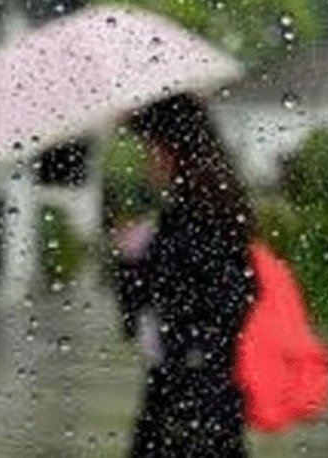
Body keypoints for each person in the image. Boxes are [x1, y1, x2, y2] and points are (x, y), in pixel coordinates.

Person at [110, 94, 255, 457]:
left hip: (188, 394)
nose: (148, 161)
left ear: (174, 152)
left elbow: (145, 310)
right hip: (204, 391)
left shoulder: (193, 223)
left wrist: (131, 260)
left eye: (151, 149)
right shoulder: (216, 212)